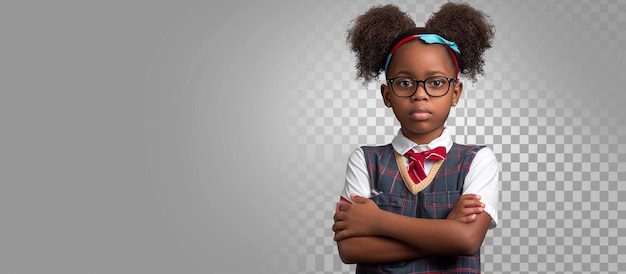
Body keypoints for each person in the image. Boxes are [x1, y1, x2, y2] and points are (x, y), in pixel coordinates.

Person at [332, 2, 499, 273]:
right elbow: (350, 249)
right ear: (387, 95)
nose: (419, 94)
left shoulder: (478, 160)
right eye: (405, 83)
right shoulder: (365, 159)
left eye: (435, 83)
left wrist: (377, 222)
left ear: (455, 93)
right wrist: (447, 233)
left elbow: (467, 240)